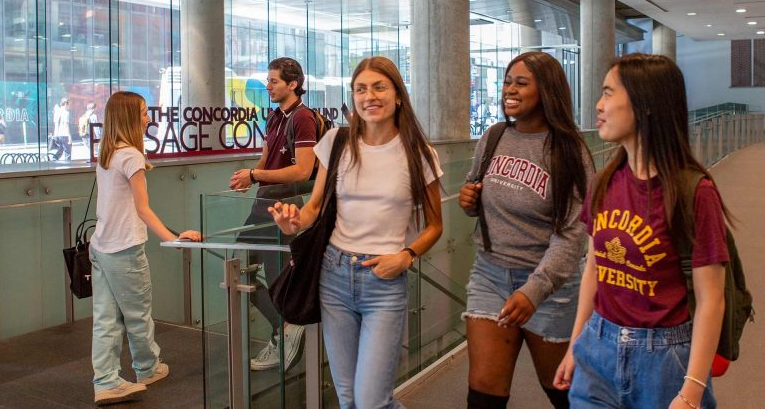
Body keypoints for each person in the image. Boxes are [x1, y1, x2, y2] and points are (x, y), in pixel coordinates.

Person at [553, 53, 729, 409]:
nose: (599, 106)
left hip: (664, 360)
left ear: (645, 104)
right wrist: (576, 344)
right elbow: (595, 269)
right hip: (598, 347)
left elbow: (711, 298)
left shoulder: (693, 192)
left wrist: (692, 390)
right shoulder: (605, 180)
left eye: (608, 93)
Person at [269, 56, 443, 408]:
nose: (369, 96)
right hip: (333, 275)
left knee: (370, 401)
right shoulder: (336, 141)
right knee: (349, 397)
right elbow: (314, 208)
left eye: (379, 87)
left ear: (397, 95)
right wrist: (293, 223)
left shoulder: (418, 153)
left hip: (384, 280)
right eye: (361, 89)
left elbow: (436, 226)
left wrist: (406, 256)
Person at [459, 51, 593, 409]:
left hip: (550, 284)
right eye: (506, 81)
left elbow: (573, 233)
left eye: (521, 83)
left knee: (563, 390)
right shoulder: (494, 136)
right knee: (484, 392)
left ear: (546, 90)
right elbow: (476, 188)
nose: (509, 90)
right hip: (490, 273)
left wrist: (535, 290)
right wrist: (470, 200)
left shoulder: (569, 150)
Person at [89, 91, 202, 405]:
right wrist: (173, 238)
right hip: (124, 249)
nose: (148, 118)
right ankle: (148, 368)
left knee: (106, 319)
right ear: (128, 117)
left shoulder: (108, 152)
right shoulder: (132, 156)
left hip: (100, 246)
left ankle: (107, 381)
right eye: (142, 113)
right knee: (138, 315)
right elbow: (143, 209)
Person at [228, 57, 318, 372]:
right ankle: (286, 328)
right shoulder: (275, 117)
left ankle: (287, 330)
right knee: (239, 271)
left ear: (293, 84)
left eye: (274, 81)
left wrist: (254, 176)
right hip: (264, 204)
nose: (268, 86)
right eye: (268, 81)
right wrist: (249, 177)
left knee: (275, 278)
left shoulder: (303, 118)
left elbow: (304, 170)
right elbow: (265, 162)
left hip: (283, 208)